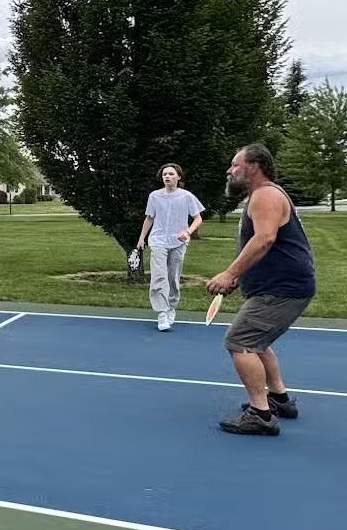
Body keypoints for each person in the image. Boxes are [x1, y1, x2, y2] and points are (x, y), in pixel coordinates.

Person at [203, 143, 316, 436]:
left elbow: (265, 239)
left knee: (240, 340)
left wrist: (229, 273)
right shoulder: (264, 195)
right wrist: (242, 275)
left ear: (253, 167)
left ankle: (261, 414)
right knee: (257, 341)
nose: (230, 170)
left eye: (235, 164)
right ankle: (278, 399)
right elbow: (266, 246)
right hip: (280, 286)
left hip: (282, 289)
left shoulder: (265, 195)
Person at [132, 162, 204, 330]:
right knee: (158, 276)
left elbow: (198, 218)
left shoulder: (187, 196)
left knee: (172, 277)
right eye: (165, 174)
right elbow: (149, 218)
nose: (167, 177)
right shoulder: (154, 196)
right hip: (158, 240)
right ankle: (162, 313)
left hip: (179, 242)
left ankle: (171, 307)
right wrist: (142, 238)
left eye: (171, 174)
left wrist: (188, 232)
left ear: (178, 177)